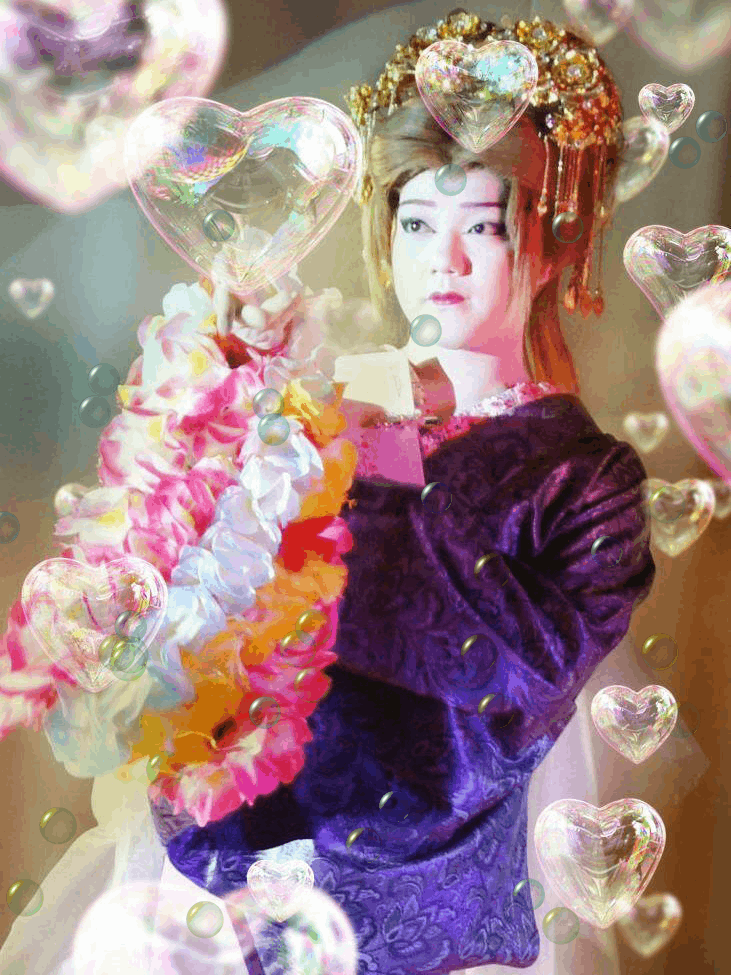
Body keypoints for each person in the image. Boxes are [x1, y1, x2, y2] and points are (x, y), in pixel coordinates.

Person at [0, 9, 657, 975]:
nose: (443, 260)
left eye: (483, 225)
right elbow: (207, 604)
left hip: (425, 906)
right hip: (230, 863)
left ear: (554, 238)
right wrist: (221, 403)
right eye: (416, 222)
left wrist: (344, 478)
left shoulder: (587, 478)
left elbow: (513, 688)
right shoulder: (337, 396)